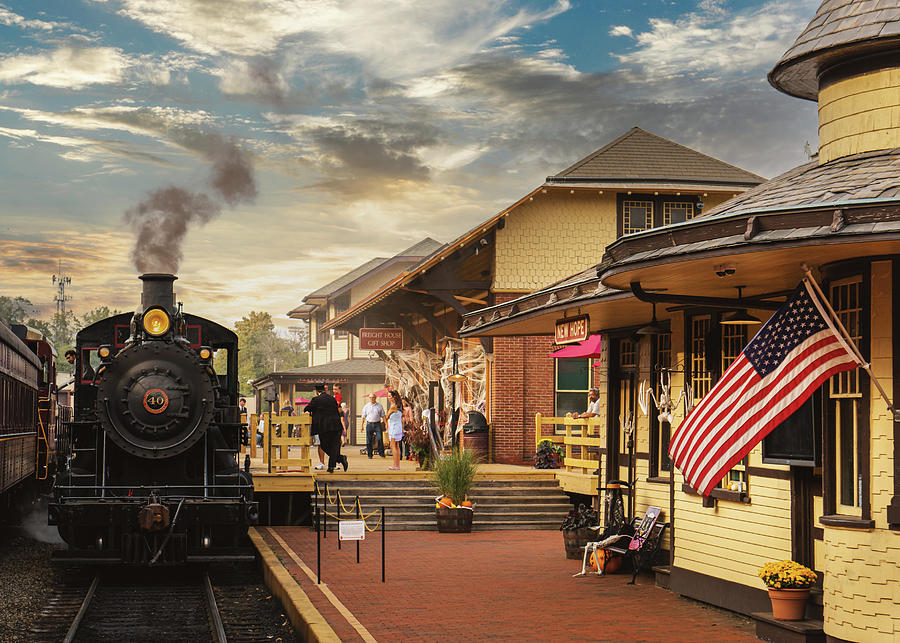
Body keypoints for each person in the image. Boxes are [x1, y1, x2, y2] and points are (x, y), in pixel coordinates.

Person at [304, 383, 347, 473]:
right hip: (336, 425)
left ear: (316, 392)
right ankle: (332, 466)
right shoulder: (332, 398)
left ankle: (340, 458)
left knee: (324, 446)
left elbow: (307, 408)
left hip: (324, 427)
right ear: (324, 390)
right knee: (334, 446)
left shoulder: (315, 399)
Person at [361, 392, 386, 458]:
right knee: (369, 440)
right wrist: (362, 426)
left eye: (373, 397)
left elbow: (383, 415)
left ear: (375, 398)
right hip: (369, 424)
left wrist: (386, 424)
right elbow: (363, 416)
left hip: (377, 424)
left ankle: (381, 453)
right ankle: (370, 454)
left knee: (379, 438)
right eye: (371, 397)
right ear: (369, 398)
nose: (372, 399)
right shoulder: (366, 406)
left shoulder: (379, 406)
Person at [386, 390, 403, 471]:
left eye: (389, 396)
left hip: (394, 427)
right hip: (398, 426)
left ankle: (395, 465)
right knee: (397, 445)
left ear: (394, 397)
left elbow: (387, 416)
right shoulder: (400, 405)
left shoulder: (393, 406)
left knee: (393, 446)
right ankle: (397, 465)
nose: (388, 398)